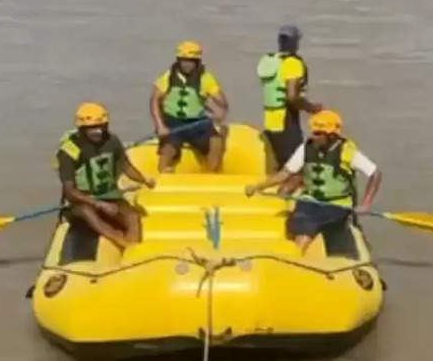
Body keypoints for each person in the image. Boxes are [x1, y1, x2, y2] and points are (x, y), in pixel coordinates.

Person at [245, 110, 381, 255]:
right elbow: (285, 173)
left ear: (331, 136)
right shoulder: (305, 148)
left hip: (337, 204)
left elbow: (375, 173)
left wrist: (366, 204)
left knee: (315, 230)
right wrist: (258, 186)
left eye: (318, 134)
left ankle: (301, 257)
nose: (313, 136)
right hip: (310, 201)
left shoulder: (347, 152)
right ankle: (294, 258)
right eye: (313, 132)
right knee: (301, 225)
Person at [57, 102, 155, 249]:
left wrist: (144, 180)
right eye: (92, 128)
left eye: (101, 127)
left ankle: (133, 249)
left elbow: (125, 166)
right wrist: (99, 204)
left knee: (133, 216)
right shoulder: (69, 151)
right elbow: (70, 192)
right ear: (82, 129)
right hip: (82, 201)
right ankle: (119, 240)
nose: (98, 132)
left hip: (110, 195)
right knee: (88, 213)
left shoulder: (112, 141)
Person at [150, 40, 229, 173]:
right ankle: (163, 175)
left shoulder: (206, 78)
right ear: (178, 60)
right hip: (172, 122)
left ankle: (211, 176)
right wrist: (160, 126)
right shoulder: (168, 77)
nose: (187, 64)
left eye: (191, 61)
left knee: (216, 141)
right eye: (184, 60)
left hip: (197, 123)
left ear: (197, 62)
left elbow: (223, 103)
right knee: (168, 149)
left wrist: (220, 112)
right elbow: (154, 100)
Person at [257, 25, 321, 169]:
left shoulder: (270, 61)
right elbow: (292, 96)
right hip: (285, 120)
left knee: (277, 163)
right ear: (296, 42)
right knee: (294, 164)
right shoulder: (293, 63)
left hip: (269, 120)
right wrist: (312, 108)